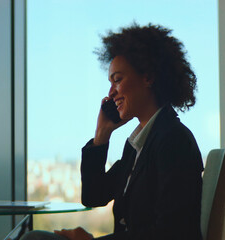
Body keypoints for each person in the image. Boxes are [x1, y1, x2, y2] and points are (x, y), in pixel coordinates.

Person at [22, 23, 204, 240]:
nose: (111, 92)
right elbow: (93, 196)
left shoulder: (173, 140)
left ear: (148, 77)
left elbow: (170, 233)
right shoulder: (139, 144)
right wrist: (102, 135)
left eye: (117, 80)